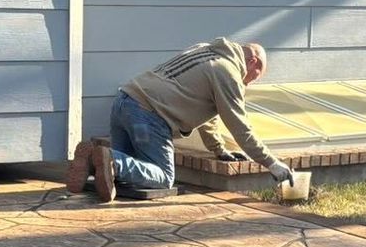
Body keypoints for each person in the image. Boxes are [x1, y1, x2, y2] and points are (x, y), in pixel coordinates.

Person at [69, 38, 295, 202]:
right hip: (148, 116)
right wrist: (271, 163)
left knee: (123, 177)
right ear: (253, 61)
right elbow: (239, 126)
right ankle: (111, 160)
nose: (252, 82)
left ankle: (93, 160)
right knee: (163, 178)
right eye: (258, 74)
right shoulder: (229, 73)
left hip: (124, 102)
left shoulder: (205, 50)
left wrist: (218, 150)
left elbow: (209, 115)